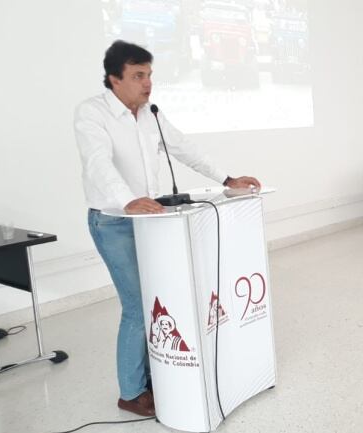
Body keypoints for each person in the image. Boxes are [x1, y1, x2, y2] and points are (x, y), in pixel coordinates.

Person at [74, 40, 261, 417]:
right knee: (137, 307)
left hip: (152, 220)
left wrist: (227, 177)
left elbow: (184, 147)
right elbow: (98, 161)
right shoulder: (91, 113)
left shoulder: (150, 114)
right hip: (114, 221)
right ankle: (130, 392)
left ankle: (153, 375)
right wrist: (125, 198)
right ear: (114, 79)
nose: (147, 84)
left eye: (150, 75)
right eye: (138, 76)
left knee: (158, 300)